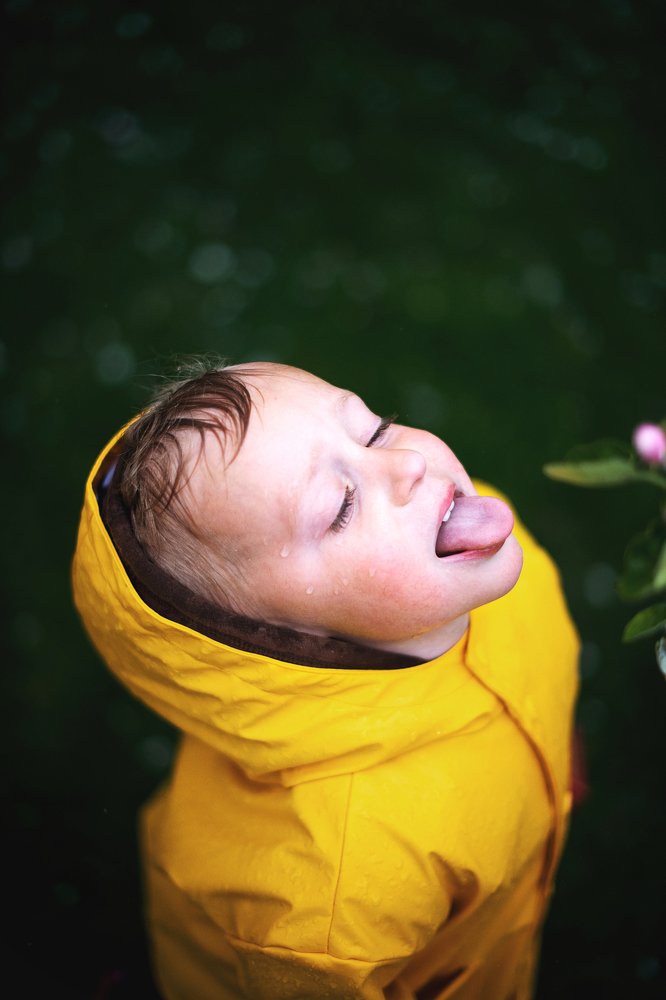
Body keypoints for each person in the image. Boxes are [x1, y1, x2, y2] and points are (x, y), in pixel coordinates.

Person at [72, 360, 579, 1000]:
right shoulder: (333, 901)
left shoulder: (471, 544)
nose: (407, 465)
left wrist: (552, 762)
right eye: (339, 509)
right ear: (287, 641)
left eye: (373, 431)